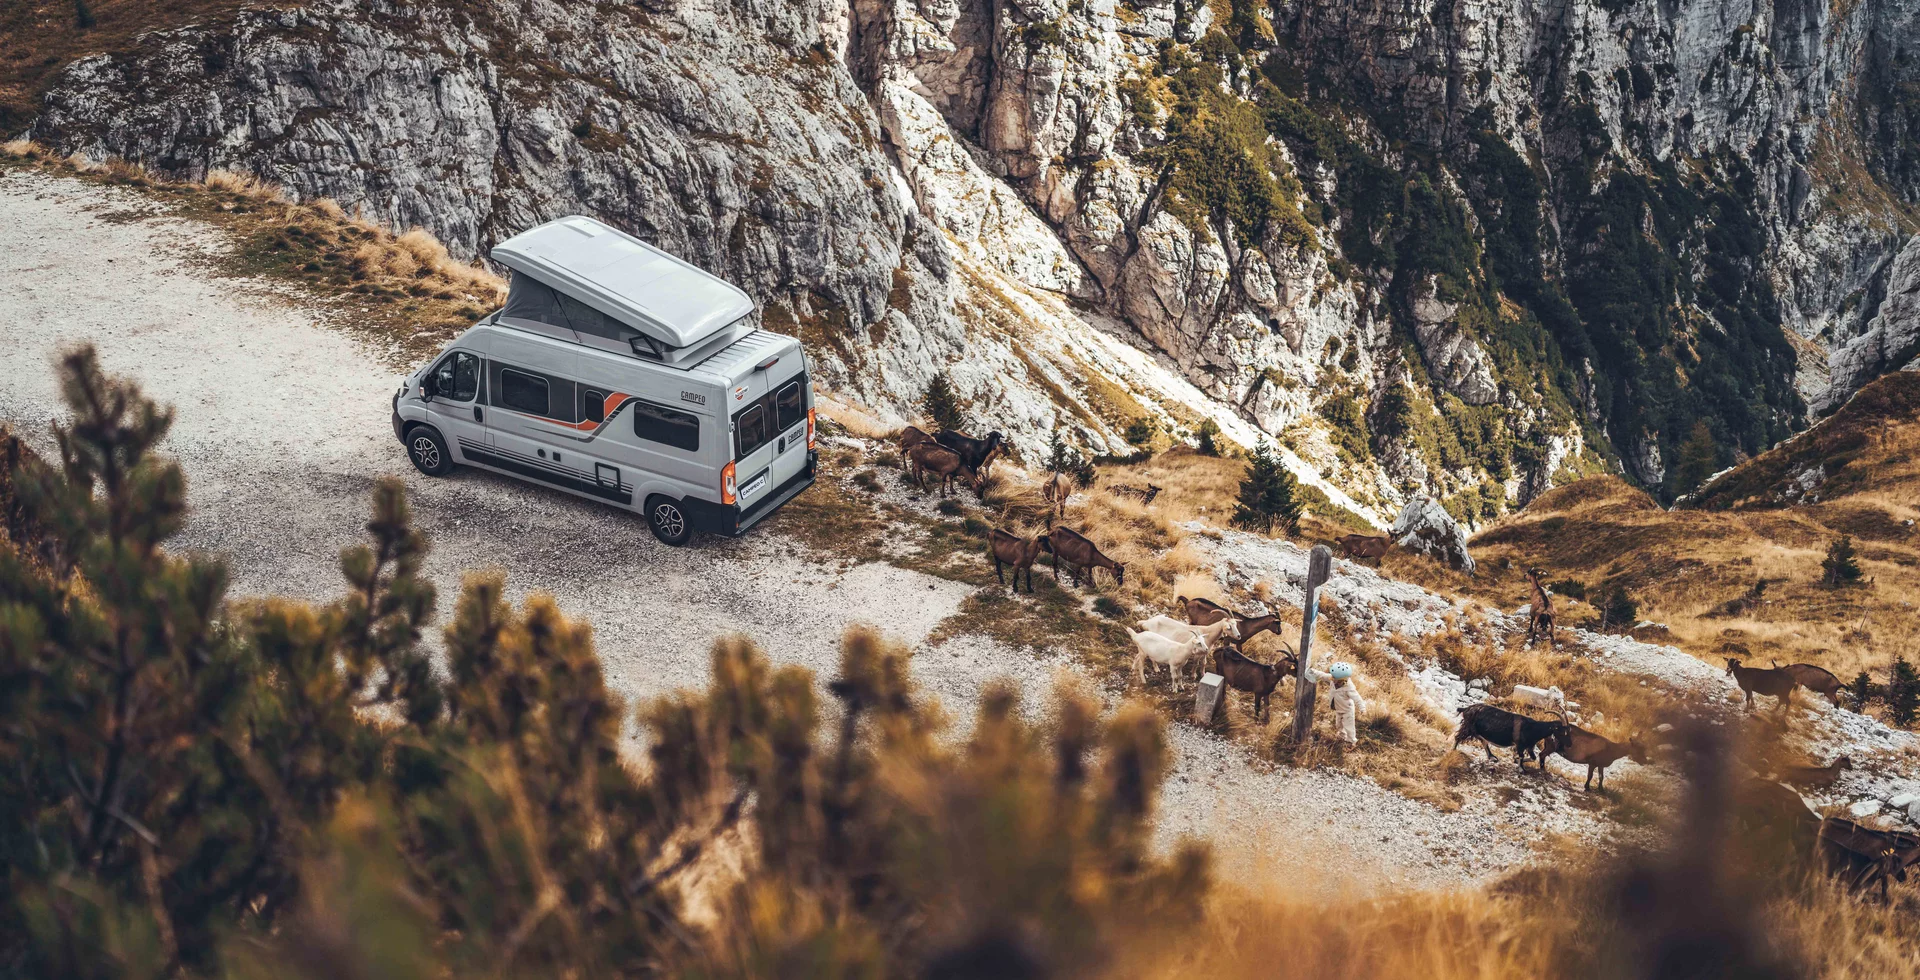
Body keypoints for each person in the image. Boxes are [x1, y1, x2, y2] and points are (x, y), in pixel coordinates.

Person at [1307, 661, 1367, 745]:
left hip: (1347, 711)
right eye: (1333, 678)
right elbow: (1323, 675)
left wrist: (1362, 708)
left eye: (1336, 679)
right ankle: (1342, 737)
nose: (1333, 680)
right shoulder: (1333, 679)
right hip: (1338, 709)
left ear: (1343, 680)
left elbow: (1358, 699)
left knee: (1349, 727)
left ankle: (1351, 742)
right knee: (1339, 725)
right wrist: (1313, 671)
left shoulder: (1349, 688)